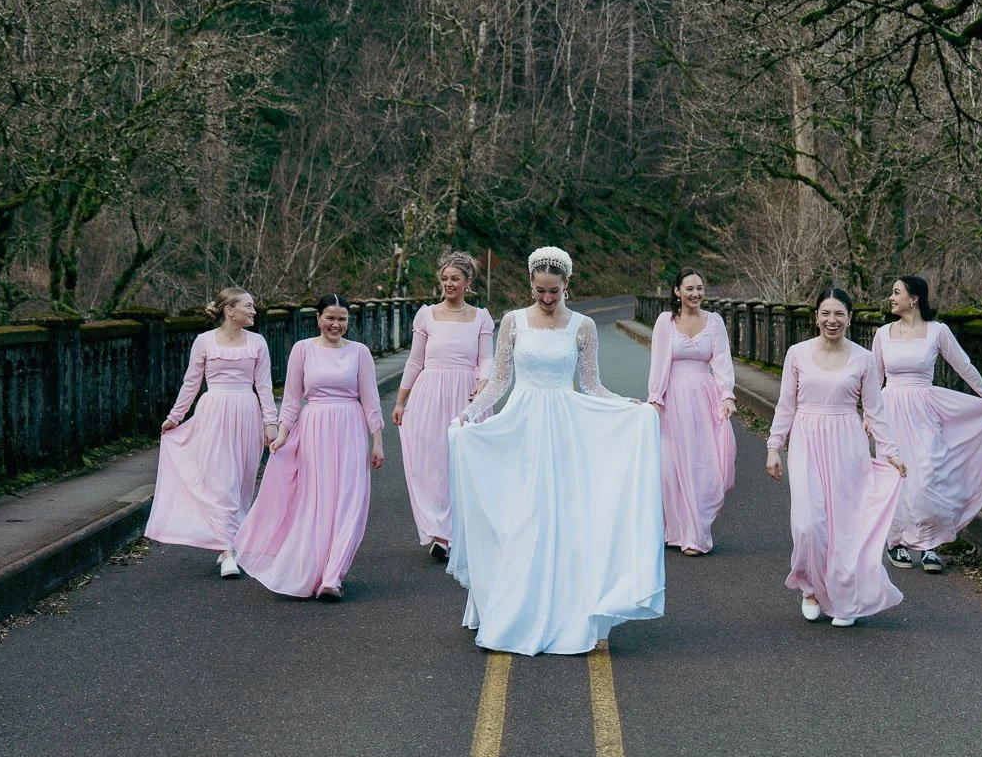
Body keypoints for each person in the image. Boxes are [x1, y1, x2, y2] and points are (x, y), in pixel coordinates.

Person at [445, 247, 664, 655]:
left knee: (561, 518)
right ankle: (512, 608)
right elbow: (499, 380)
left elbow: (591, 384)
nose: (547, 298)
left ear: (567, 286)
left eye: (554, 291)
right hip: (522, 425)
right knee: (520, 516)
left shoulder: (582, 326)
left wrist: (624, 405)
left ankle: (565, 609)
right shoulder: (512, 321)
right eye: (541, 290)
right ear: (531, 284)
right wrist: (469, 414)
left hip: (564, 428)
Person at [765, 287, 907, 627]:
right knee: (808, 524)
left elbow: (876, 411)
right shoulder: (798, 354)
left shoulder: (863, 359)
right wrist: (774, 445)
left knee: (845, 525)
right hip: (806, 440)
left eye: (839, 314)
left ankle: (844, 597)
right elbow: (786, 405)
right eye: (826, 313)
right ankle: (810, 589)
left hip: (847, 443)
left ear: (849, 318)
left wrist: (891, 453)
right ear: (816, 317)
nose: (832, 320)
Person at [233, 294, 385, 600]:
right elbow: (291, 401)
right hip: (315, 428)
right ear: (318, 318)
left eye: (342, 319)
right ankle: (311, 567)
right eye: (330, 317)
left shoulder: (360, 352)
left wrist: (377, 441)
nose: (336, 324)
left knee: (348, 501)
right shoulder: (302, 350)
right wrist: (281, 435)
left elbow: (370, 399)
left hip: (350, 428)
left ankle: (333, 577)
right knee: (317, 500)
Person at [873, 276, 982, 572]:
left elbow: (963, 365)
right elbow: (874, 380)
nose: (891, 297)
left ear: (914, 299)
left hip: (924, 411)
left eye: (896, 292)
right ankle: (896, 542)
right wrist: (867, 416)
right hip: (890, 411)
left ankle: (929, 545)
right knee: (895, 478)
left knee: (928, 475)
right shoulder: (882, 334)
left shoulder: (937, 332)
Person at [145, 288, 277, 577]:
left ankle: (230, 539)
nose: (254, 311)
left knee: (242, 482)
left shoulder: (258, 342)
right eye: (248, 306)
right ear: (230, 310)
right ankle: (228, 550)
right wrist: (175, 417)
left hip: (246, 411)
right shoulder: (204, 341)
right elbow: (191, 383)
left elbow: (264, 385)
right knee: (221, 481)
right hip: (213, 412)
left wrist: (271, 423)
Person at [392, 252, 494, 559]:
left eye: (455, 279)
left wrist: (484, 382)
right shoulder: (426, 315)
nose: (449, 284)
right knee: (431, 461)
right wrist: (400, 401)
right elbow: (414, 360)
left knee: (462, 463)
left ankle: (461, 530)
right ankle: (440, 533)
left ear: (467, 283)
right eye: (445, 278)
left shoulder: (481, 317)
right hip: (429, 392)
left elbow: (486, 358)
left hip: (465, 394)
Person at [646, 268, 737, 555]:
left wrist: (727, 396)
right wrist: (655, 398)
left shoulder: (714, 322)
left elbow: (722, 360)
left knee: (705, 465)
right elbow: (659, 362)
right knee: (671, 467)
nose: (695, 294)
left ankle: (697, 532)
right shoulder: (666, 322)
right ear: (677, 291)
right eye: (689, 289)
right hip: (674, 397)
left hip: (705, 397)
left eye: (700, 288)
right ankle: (676, 531)